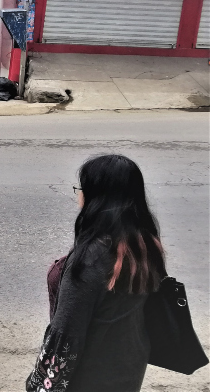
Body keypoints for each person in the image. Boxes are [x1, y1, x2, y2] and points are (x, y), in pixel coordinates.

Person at [26, 155, 166, 391]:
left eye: (81, 187)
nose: (78, 193)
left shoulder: (93, 256)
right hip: (128, 367)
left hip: (90, 376)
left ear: (97, 196)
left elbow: (67, 333)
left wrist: (40, 385)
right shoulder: (144, 243)